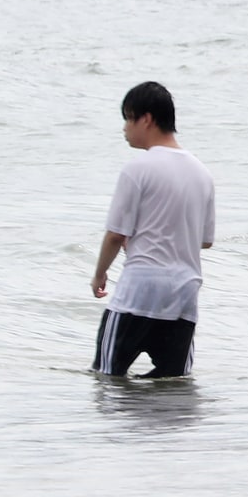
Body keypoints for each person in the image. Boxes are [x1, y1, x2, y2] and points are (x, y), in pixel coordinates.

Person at [90, 82, 216, 378]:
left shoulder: (137, 169)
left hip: (139, 291)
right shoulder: (202, 173)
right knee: (173, 386)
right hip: (184, 293)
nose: (124, 128)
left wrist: (99, 274)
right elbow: (205, 241)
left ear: (146, 119)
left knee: (107, 380)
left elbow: (115, 235)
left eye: (127, 119)